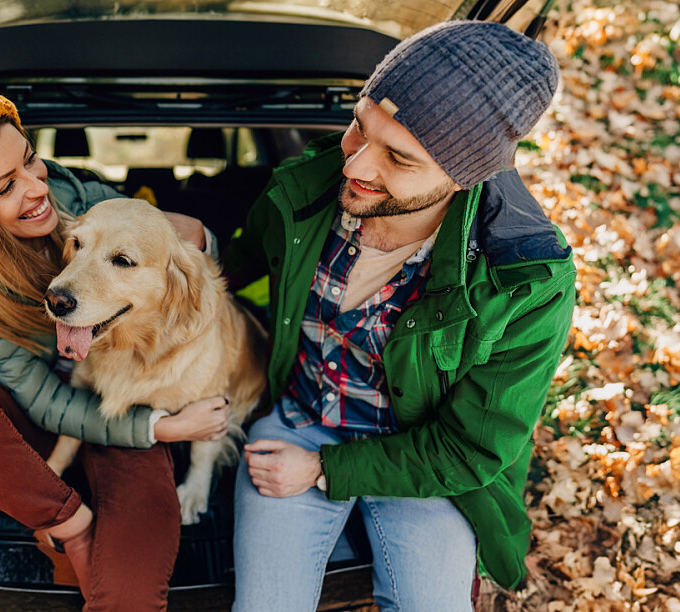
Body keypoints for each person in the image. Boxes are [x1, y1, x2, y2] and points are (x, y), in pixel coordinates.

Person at [219, 21, 574, 611]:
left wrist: (326, 469)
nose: (355, 164)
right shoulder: (303, 189)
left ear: (463, 175)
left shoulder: (525, 282)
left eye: (398, 158)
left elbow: (470, 450)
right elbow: (234, 268)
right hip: (296, 420)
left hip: (424, 459)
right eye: (359, 124)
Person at [0, 81, 232, 611]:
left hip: (122, 403)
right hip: (33, 426)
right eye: (4, 187)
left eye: (32, 161)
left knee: (130, 593)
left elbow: (186, 270)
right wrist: (154, 438)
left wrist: (199, 239)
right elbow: (41, 399)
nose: (37, 188)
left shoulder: (92, 205)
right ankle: (65, 523)